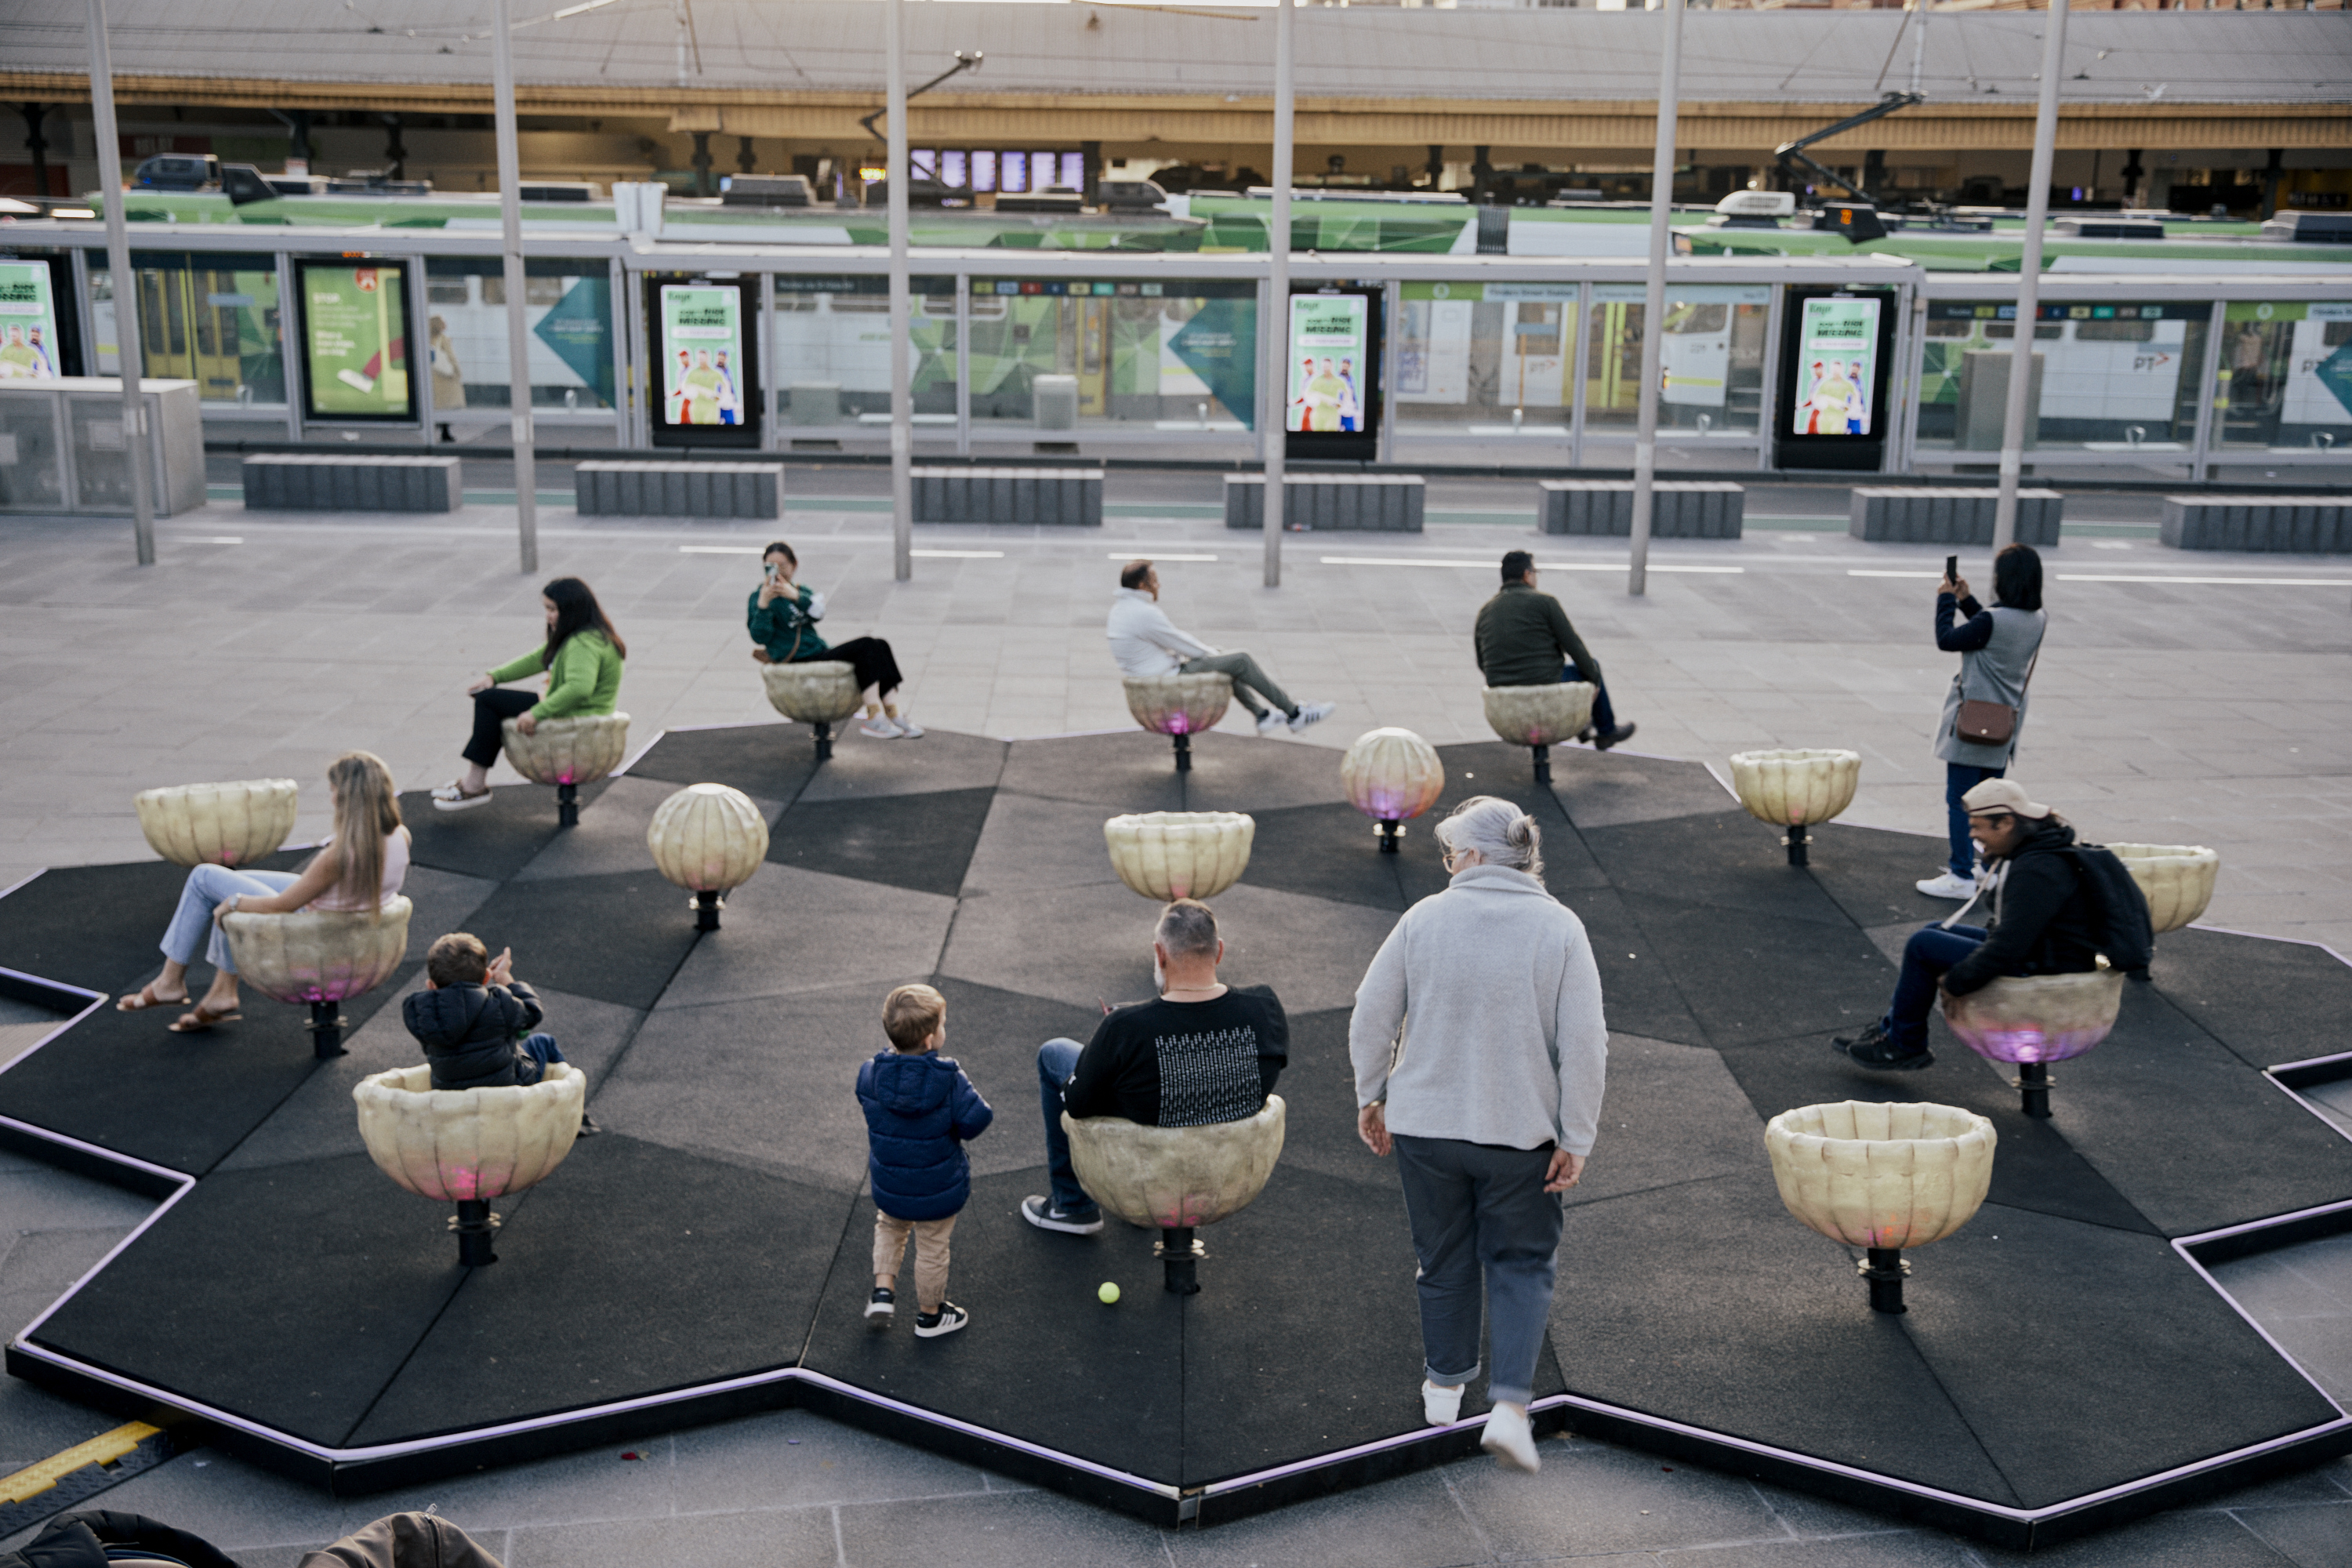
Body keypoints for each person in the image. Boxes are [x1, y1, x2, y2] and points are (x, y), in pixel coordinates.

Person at [1348, 796, 1608, 1475]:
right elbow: (1585, 1045)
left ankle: (1443, 1389)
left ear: (1471, 856)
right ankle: (1510, 1409)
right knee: (1521, 1264)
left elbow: (1371, 1016)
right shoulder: (1559, 928)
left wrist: (1371, 1094)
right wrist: (1575, 1136)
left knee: (1442, 1256)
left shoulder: (1423, 919)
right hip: (1518, 1133)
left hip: (1426, 1129)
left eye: (1449, 854)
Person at [1836, 779, 2145, 1072]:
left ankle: (1903, 1045)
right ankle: (1894, 1029)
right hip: (2045, 949)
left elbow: (2012, 943)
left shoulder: (2037, 870)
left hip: (2046, 964)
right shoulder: (2038, 851)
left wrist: (1959, 981)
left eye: (1977, 827)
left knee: (1923, 944)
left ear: (2006, 823)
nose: (1973, 835)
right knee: (1936, 931)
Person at [1023, 899, 1288, 1236]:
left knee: (1054, 1053)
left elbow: (1078, 1104)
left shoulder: (1125, 1026)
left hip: (1148, 1122)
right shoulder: (1264, 1005)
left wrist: (1102, 1051)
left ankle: (1072, 1206)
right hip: (1230, 1143)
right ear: (1219, 951)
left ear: (1160, 955)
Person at [115, 752, 411, 1034]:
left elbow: (283, 905)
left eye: (333, 790)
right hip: (347, 921)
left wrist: (234, 903)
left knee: (204, 877)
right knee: (229, 881)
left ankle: (170, 981)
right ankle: (222, 991)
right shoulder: (400, 836)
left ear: (346, 798)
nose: (331, 797)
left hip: (312, 929)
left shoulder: (339, 856)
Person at [858, 983, 993, 1338]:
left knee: (890, 1227)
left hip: (891, 1180)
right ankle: (930, 1316)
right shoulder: (949, 1081)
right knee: (932, 1246)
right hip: (937, 1186)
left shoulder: (870, 1074)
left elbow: (871, 1107)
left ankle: (883, 1291)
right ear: (931, 1039)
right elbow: (977, 1119)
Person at [1917, 543, 2047, 899]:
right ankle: (1990, 871)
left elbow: (1949, 639)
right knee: (1993, 802)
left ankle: (1960, 875)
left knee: (1962, 801)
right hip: (2004, 724)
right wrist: (1966, 600)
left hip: (1973, 721)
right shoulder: (2037, 619)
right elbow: (1988, 633)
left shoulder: (1993, 620)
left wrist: (1946, 599)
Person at [433, 577, 626, 811]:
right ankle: (473, 783)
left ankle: (474, 785)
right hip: (570, 706)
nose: (548, 615)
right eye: (547, 608)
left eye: (553, 609)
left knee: (489, 701)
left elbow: (579, 688)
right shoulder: (579, 635)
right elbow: (538, 658)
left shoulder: (583, 643)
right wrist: (494, 677)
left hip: (579, 713)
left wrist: (537, 713)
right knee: (490, 700)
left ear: (572, 609)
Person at [1106, 560, 1334, 736]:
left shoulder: (1122, 609)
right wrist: (1214, 655)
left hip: (1151, 676)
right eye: (1155, 580)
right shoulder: (1143, 613)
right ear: (1142, 585)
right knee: (1240, 660)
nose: (1159, 585)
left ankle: (1263, 715)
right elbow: (1180, 642)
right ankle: (1295, 714)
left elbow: (1175, 642)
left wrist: (1215, 655)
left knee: (1226, 659)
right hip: (1165, 678)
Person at [748, 541, 921, 739]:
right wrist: (763, 605)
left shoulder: (800, 591)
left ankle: (893, 712)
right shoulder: (758, 597)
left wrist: (796, 596)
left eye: (783, 566)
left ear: (794, 565)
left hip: (817, 651)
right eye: (770, 567)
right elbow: (759, 636)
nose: (777, 572)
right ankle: (874, 715)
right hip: (795, 658)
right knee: (865, 645)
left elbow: (818, 613)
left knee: (879, 645)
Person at [1474, 551, 1635, 751]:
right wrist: (1595, 682)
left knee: (1580, 670)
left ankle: (1585, 726)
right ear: (1527, 574)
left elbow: (1482, 662)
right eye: (1535, 572)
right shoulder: (1545, 603)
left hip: (1501, 691)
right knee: (1591, 666)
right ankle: (1606, 731)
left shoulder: (1486, 611)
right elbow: (1574, 647)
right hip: (1545, 683)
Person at [404, 933, 569, 1091]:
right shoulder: (500, 1004)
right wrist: (505, 978)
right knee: (543, 1041)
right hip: (509, 1095)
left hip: (452, 1102)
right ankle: (572, 1108)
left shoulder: (422, 1015)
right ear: (486, 978)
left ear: (431, 985)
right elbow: (533, 1011)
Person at [428, 314, 465, 443]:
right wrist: (457, 372)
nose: (445, 324)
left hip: (434, 379)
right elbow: (451, 357)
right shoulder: (443, 339)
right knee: (446, 407)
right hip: (446, 379)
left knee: (437, 406)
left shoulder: (427, 338)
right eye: (443, 322)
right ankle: (445, 433)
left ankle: (434, 430)